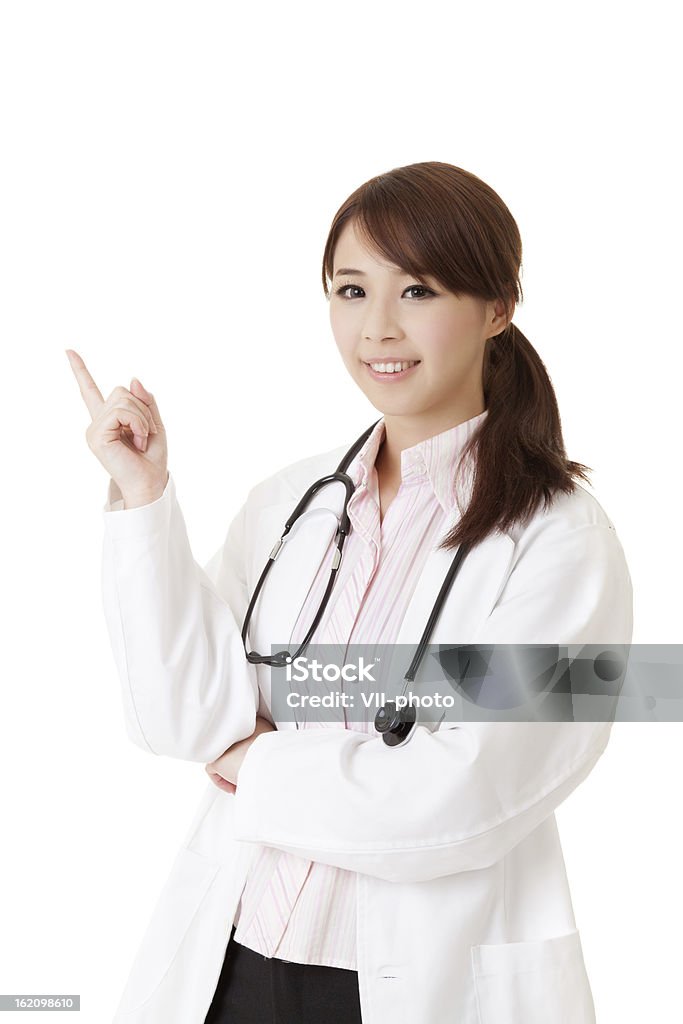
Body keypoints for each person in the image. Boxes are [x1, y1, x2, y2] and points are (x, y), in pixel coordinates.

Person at [66, 160, 633, 1024]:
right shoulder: (290, 505)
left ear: (496, 308)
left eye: (418, 291)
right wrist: (144, 497)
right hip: (228, 965)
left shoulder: (561, 541)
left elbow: (460, 797)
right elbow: (179, 717)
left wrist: (254, 765)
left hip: (410, 984)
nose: (377, 329)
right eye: (350, 289)